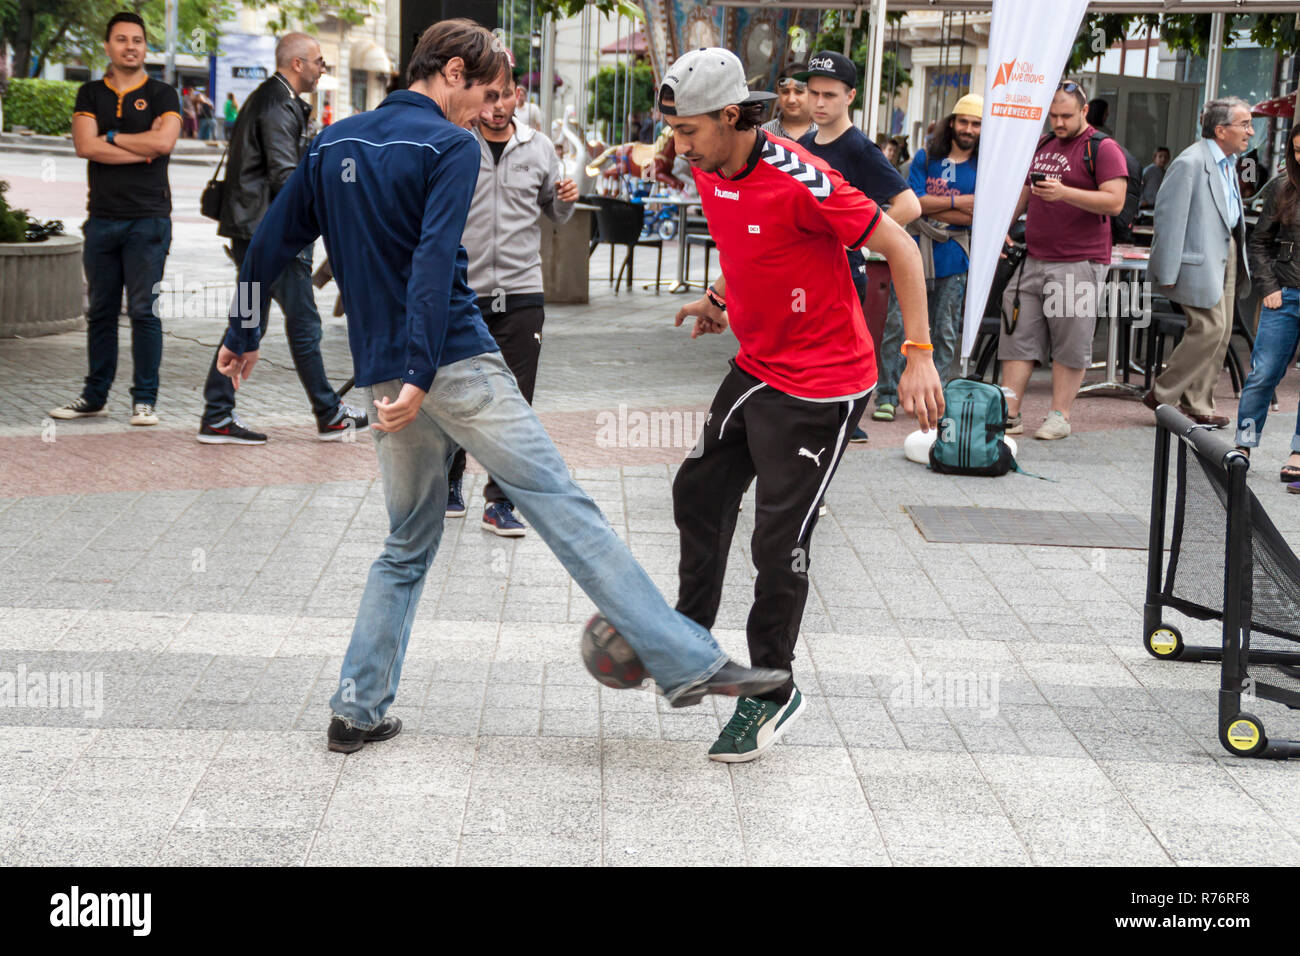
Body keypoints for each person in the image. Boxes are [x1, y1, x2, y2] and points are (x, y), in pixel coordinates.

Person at [213, 20, 787, 752]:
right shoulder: (449, 147)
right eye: (484, 91)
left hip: (389, 373)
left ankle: (356, 709)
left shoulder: (334, 142)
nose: (486, 109)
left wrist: (239, 331)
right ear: (451, 71)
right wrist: (425, 373)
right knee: (564, 508)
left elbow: (267, 244)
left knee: (407, 543)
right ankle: (689, 665)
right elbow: (430, 262)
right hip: (450, 361)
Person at [660, 48, 943, 762]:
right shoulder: (707, 166)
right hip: (758, 363)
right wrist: (721, 299)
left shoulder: (804, 178)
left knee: (776, 541)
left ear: (732, 117)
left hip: (823, 382)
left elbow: (902, 248)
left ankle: (772, 689)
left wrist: (917, 355)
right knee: (697, 490)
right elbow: (746, 242)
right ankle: (690, 642)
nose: (679, 146)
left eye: (689, 131)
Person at [200, 33, 366, 444]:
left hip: (255, 228)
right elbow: (286, 177)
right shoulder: (279, 104)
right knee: (303, 322)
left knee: (250, 321)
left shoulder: (269, 98)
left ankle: (217, 416)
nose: (322, 68)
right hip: (272, 232)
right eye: (318, 61)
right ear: (297, 64)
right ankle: (328, 415)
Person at [446, 63, 578, 536]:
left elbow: (556, 213)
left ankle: (500, 502)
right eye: (488, 97)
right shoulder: (455, 141)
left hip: (522, 292)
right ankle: (449, 482)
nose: (496, 106)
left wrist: (566, 197)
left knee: (516, 404)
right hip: (464, 292)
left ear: (518, 96)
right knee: (460, 392)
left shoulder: (539, 147)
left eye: (505, 96)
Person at [51, 12, 180, 427]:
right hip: (102, 219)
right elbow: (85, 147)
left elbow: (164, 141)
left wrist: (111, 137)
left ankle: (145, 401)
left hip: (149, 220)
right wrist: (138, 150)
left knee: (144, 311)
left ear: (146, 47)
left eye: (138, 40)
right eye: (122, 39)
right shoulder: (90, 94)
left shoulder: (163, 94)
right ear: (107, 46)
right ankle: (94, 397)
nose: (131, 46)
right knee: (101, 313)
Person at [795, 51, 921, 438]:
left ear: (850, 96)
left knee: (835, 357)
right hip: (803, 271)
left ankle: (839, 425)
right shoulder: (803, 143)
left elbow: (909, 205)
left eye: (829, 95)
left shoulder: (860, 149)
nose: (818, 102)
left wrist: (862, 241)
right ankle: (817, 423)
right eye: (813, 93)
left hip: (844, 273)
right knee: (804, 353)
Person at [998, 79, 1127, 440]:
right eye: (1052, 115)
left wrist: (1065, 193)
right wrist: (1001, 229)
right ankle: (1010, 413)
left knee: (1070, 340)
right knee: (1017, 334)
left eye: (1066, 115)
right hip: (1034, 258)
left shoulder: (1102, 148)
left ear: (1084, 111)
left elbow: (1114, 201)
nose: (1058, 122)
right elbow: (1025, 191)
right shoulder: (1043, 143)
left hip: (1078, 261)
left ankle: (1060, 414)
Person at [1145, 97, 1254, 428]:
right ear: (1221, 130)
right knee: (1210, 328)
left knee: (1221, 334)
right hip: (1197, 260)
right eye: (1244, 124)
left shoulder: (1228, 161)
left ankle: (1199, 402)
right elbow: (1168, 218)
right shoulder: (1190, 162)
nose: (1250, 131)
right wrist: (1165, 271)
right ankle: (1162, 393)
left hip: (1227, 251)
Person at [873, 95, 981, 420]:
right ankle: (888, 395)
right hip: (913, 251)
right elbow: (914, 202)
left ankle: (936, 396)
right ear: (952, 122)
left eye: (976, 124)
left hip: (954, 255)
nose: (968, 129)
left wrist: (940, 204)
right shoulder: (926, 155)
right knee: (897, 323)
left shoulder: (985, 163)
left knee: (944, 329)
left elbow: (978, 214)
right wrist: (959, 201)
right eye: (963, 121)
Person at [1235, 125, 1300, 479]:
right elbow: (1259, 241)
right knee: (1263, 372)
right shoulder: (1281, 188)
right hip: (1285, 293)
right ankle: (1243, 443)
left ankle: (1298, 453)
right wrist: (1268, 286)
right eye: (1298, 150)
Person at [760, 63, 816, 142]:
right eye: (785, 92)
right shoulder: (764, 134)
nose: (791, 100)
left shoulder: (827, 133)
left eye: (799, 92)